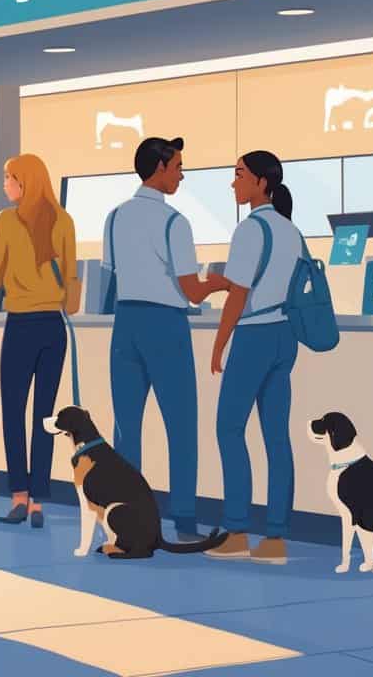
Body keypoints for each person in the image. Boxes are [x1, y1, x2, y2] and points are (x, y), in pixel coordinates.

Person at [101, 137, 227, 539]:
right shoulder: (176, 223)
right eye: (177, 167)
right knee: (181, 425)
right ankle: (185, 518)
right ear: (159, 168)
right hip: (166, 326)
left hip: (126, 323)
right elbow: (191, 291)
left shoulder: (114, 216)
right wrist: (220, 283)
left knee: (126, 427)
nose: (181, 175)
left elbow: (115, 272)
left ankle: (126, 516)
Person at [0, 154, 78, 528]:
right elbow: (72, 288)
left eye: (9, 178)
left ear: (25, 182)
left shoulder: (7, 221)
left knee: (13, 413)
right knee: (45, 417)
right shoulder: (64, 220)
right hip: (54, 329)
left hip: (21, 327)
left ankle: (19, 498)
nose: (5, 185)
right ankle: (40, 501)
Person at [206, 151, 301, 564]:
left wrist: (219, 341)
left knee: (229, 428)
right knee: (277, 438)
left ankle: (237, 531)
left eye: (239, 175)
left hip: (254, 337)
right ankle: (277, 538)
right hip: (285, 336)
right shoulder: (291, 231)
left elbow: (239, 293)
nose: (233, 184)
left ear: (262, 182)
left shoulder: (250, 230)